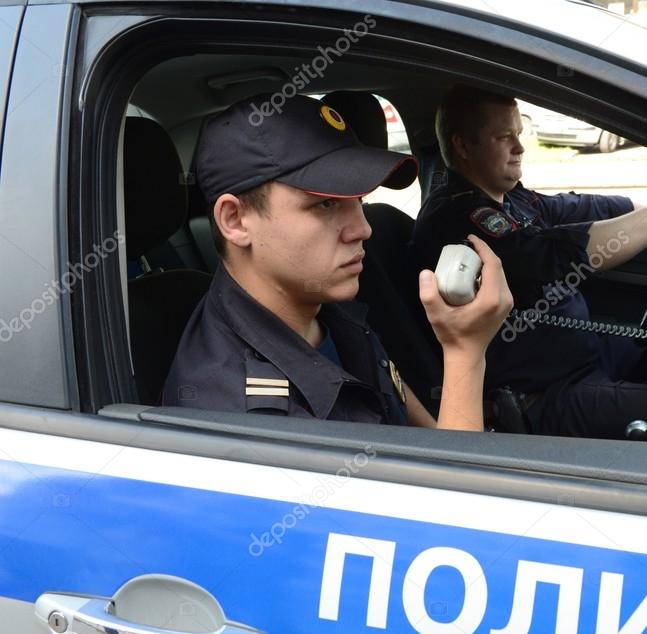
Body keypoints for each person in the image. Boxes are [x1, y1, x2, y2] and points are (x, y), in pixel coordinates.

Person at [163, 94, 512, 431]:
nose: (363, 228)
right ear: (235, 220)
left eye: (359, 199)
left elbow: (420, 432)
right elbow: (447, 491)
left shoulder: (320, 302)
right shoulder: (246, 419)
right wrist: (465, 353)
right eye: (326, 204)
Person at [411, 86, 647, 441]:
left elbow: (573, 208)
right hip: (547, 393)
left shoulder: (507, 195)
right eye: (504, 137)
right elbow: (562, 252)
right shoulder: (459, 217)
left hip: (586, 353)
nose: (519, 147)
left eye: (519, 133)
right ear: (463, 146)